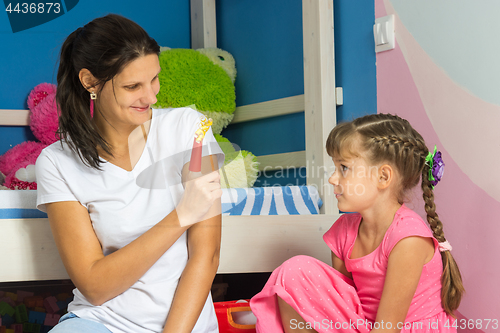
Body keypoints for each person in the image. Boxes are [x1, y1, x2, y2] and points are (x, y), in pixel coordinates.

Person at [35, 14, 224, 333]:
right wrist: (182, 214)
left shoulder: (191, 128)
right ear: (90, 81)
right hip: (101, 322)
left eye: (154, 79)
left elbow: (206, 256)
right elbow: (95, 286)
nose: (151, 97)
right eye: (132, 86)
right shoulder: (56, 162)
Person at [250, 114, 464, 332]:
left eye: (343, 168)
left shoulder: (408, 240)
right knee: (293, 270)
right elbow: (345, 303)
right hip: (367, 325)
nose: (333, 178)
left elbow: (387, 328)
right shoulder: (344, 232)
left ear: (383, 177)